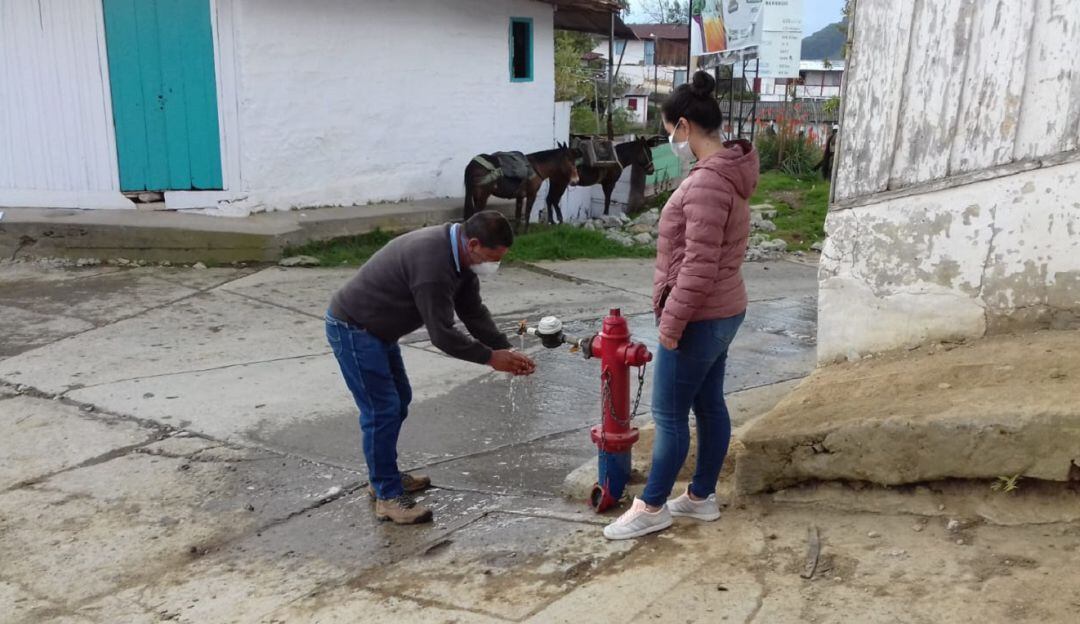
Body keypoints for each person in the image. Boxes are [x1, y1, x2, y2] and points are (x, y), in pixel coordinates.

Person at [604, 70, 759, 540]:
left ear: (685, 127)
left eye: (670, 129)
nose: (669, 138)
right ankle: (700, 497)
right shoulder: (727, 172)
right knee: (709, 404)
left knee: (670, 415)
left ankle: (652, 507)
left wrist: (670, 325)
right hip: (723, 310)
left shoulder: (709, 183)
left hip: (700, 315)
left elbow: (698, 266)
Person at [326, 211, 536, 525]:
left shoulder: (461, 257)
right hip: (354, 329)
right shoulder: (433, 266)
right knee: (382, 410)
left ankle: (383, 475)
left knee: (399, 401)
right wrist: (490, 358)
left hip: (377, 332)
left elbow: (472, 311)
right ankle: (386, 495)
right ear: (474, 243)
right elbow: (442, 334)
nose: (493, 265)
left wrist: (502, 347)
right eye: (492, 258)